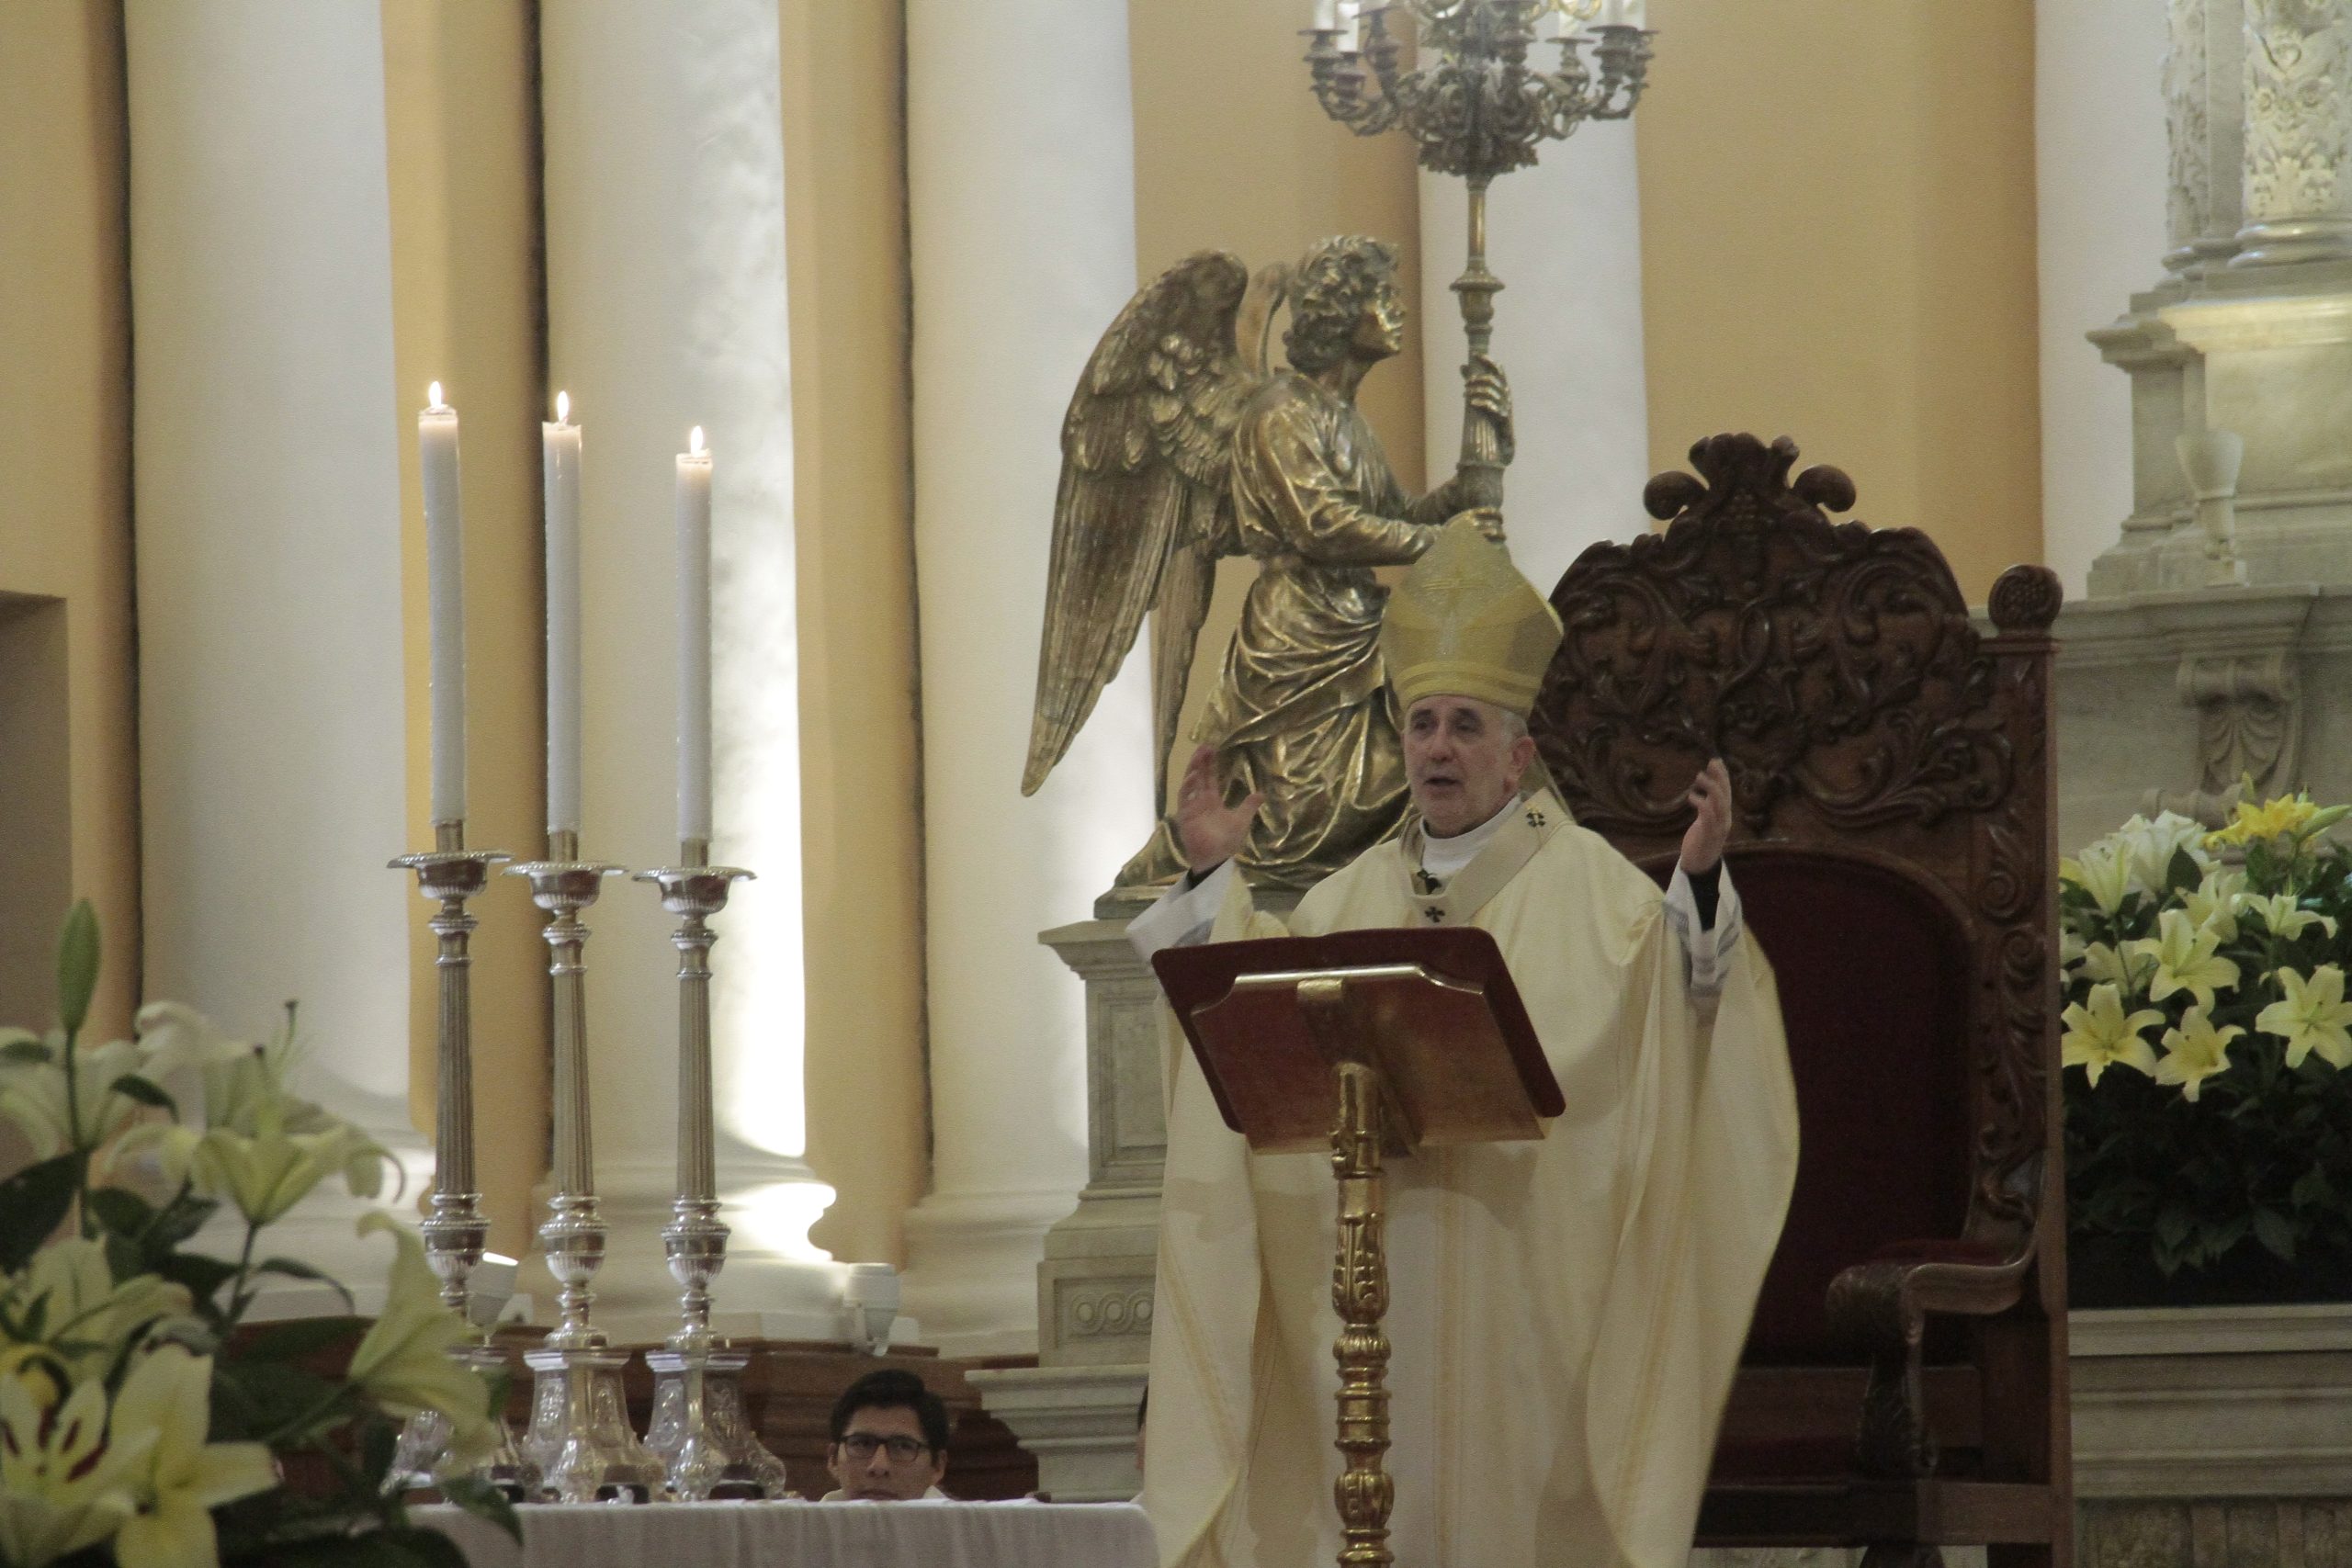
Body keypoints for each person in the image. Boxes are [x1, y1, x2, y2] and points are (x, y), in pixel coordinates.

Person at [1128, 518, 1799, 1568]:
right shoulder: (1349, 897)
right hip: (1365, 1267)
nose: (1437, 746)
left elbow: (1686, 1009)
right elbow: (1243, 1023)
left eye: (1465, 727)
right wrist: (1216, 881)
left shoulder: (1591, 888)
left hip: (1525, 1271)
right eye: (1422, 724)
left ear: (1519, 754)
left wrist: (1700, 880)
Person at [818, 1370, 952, 1502]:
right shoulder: (809, 1522)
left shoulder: (961, 1524)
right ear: (833, 1459)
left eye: (903, 1446)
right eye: (862, 1444)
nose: (878, 1467)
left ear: (938, 1466)